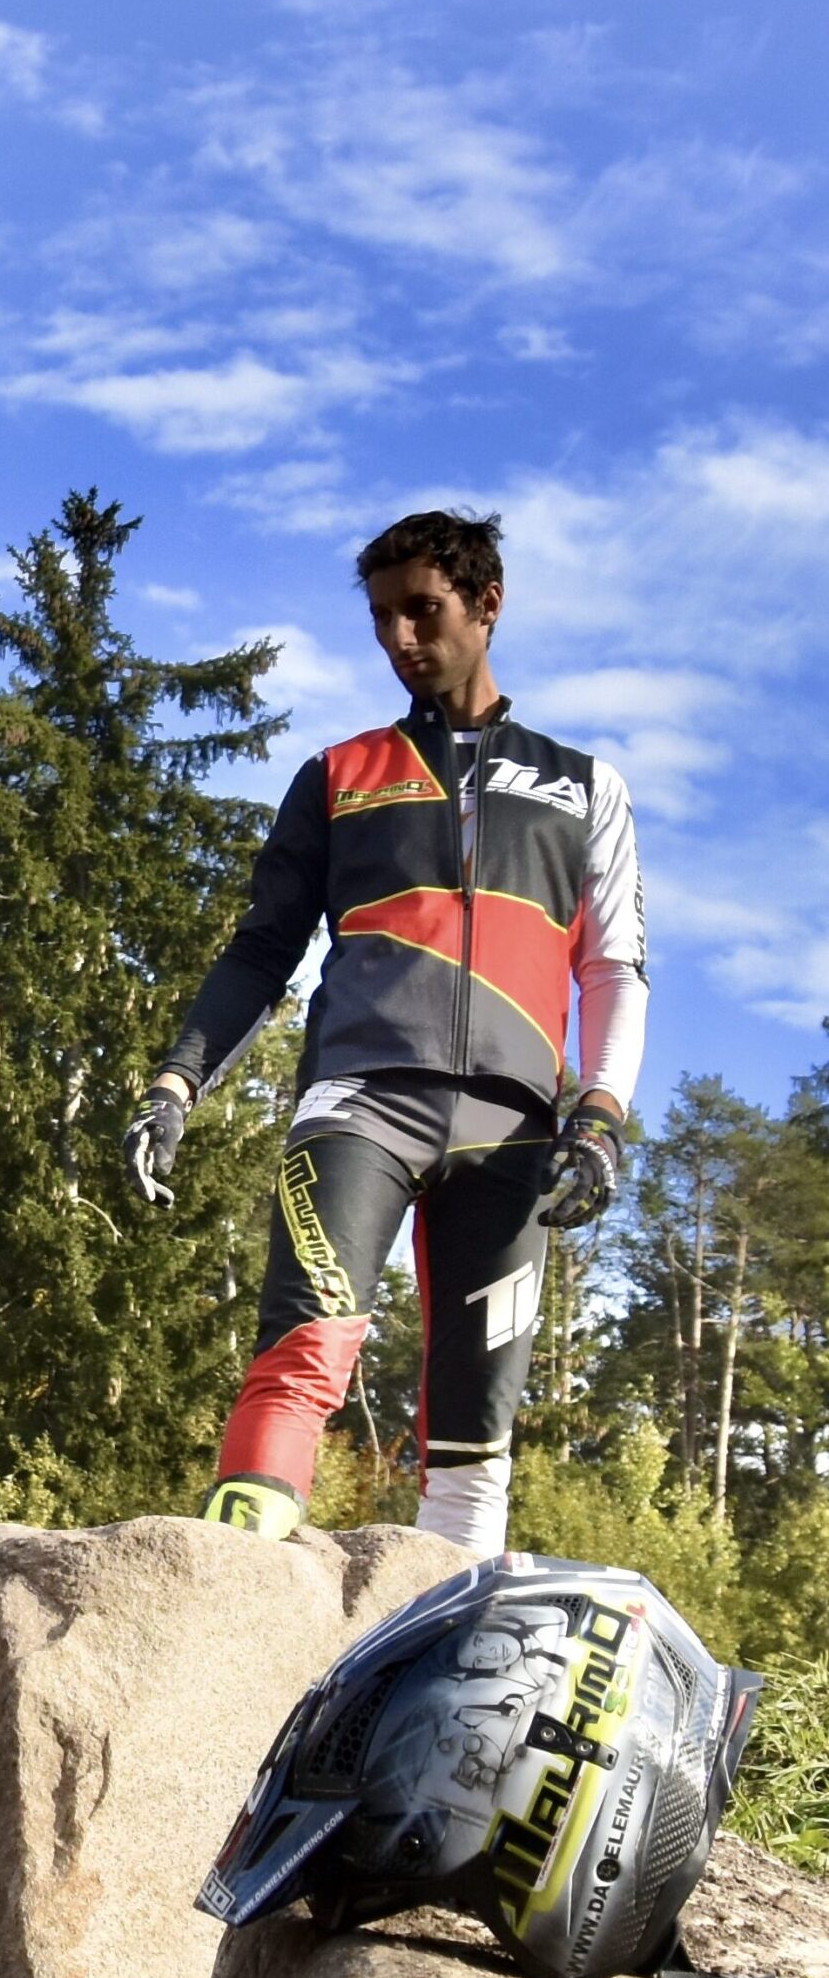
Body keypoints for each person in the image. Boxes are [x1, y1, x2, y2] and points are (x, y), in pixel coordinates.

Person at [119, 509, 646, 1556]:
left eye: (423, 610)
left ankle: (448, 1648)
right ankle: (230, 1596)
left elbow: (612, 968)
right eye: (381, 617)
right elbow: (261, 952)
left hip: (514, 1131)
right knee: (302, 1351)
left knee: (473, 1431)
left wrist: (599, 1117)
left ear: (487, 604)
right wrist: (177, 1081)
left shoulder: (585, 786)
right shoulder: (339, 774)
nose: (401, 637)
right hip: (359, 1103)